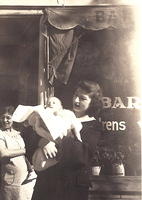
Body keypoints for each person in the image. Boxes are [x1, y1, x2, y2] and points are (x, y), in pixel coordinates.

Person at [31, 80, 103, 200]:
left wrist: (52, 140)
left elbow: (80, 156)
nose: (76, 100)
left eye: (82, 98)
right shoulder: (59, 117)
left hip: (70, 188)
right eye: (75, 95)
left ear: (92, 102)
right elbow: (31, 143)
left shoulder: (93, 126)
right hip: (46, 184)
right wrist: (43, 143)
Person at [0, 106, 36, 200]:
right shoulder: (1, 134)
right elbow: (3, 153)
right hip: (10, 180)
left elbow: (24, 156)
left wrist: (31, 169)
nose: (4, 120)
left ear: (13, 119)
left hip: (24, 179)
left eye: (8, 117)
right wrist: (25, 150)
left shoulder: (18, 134)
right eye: (2, 117)